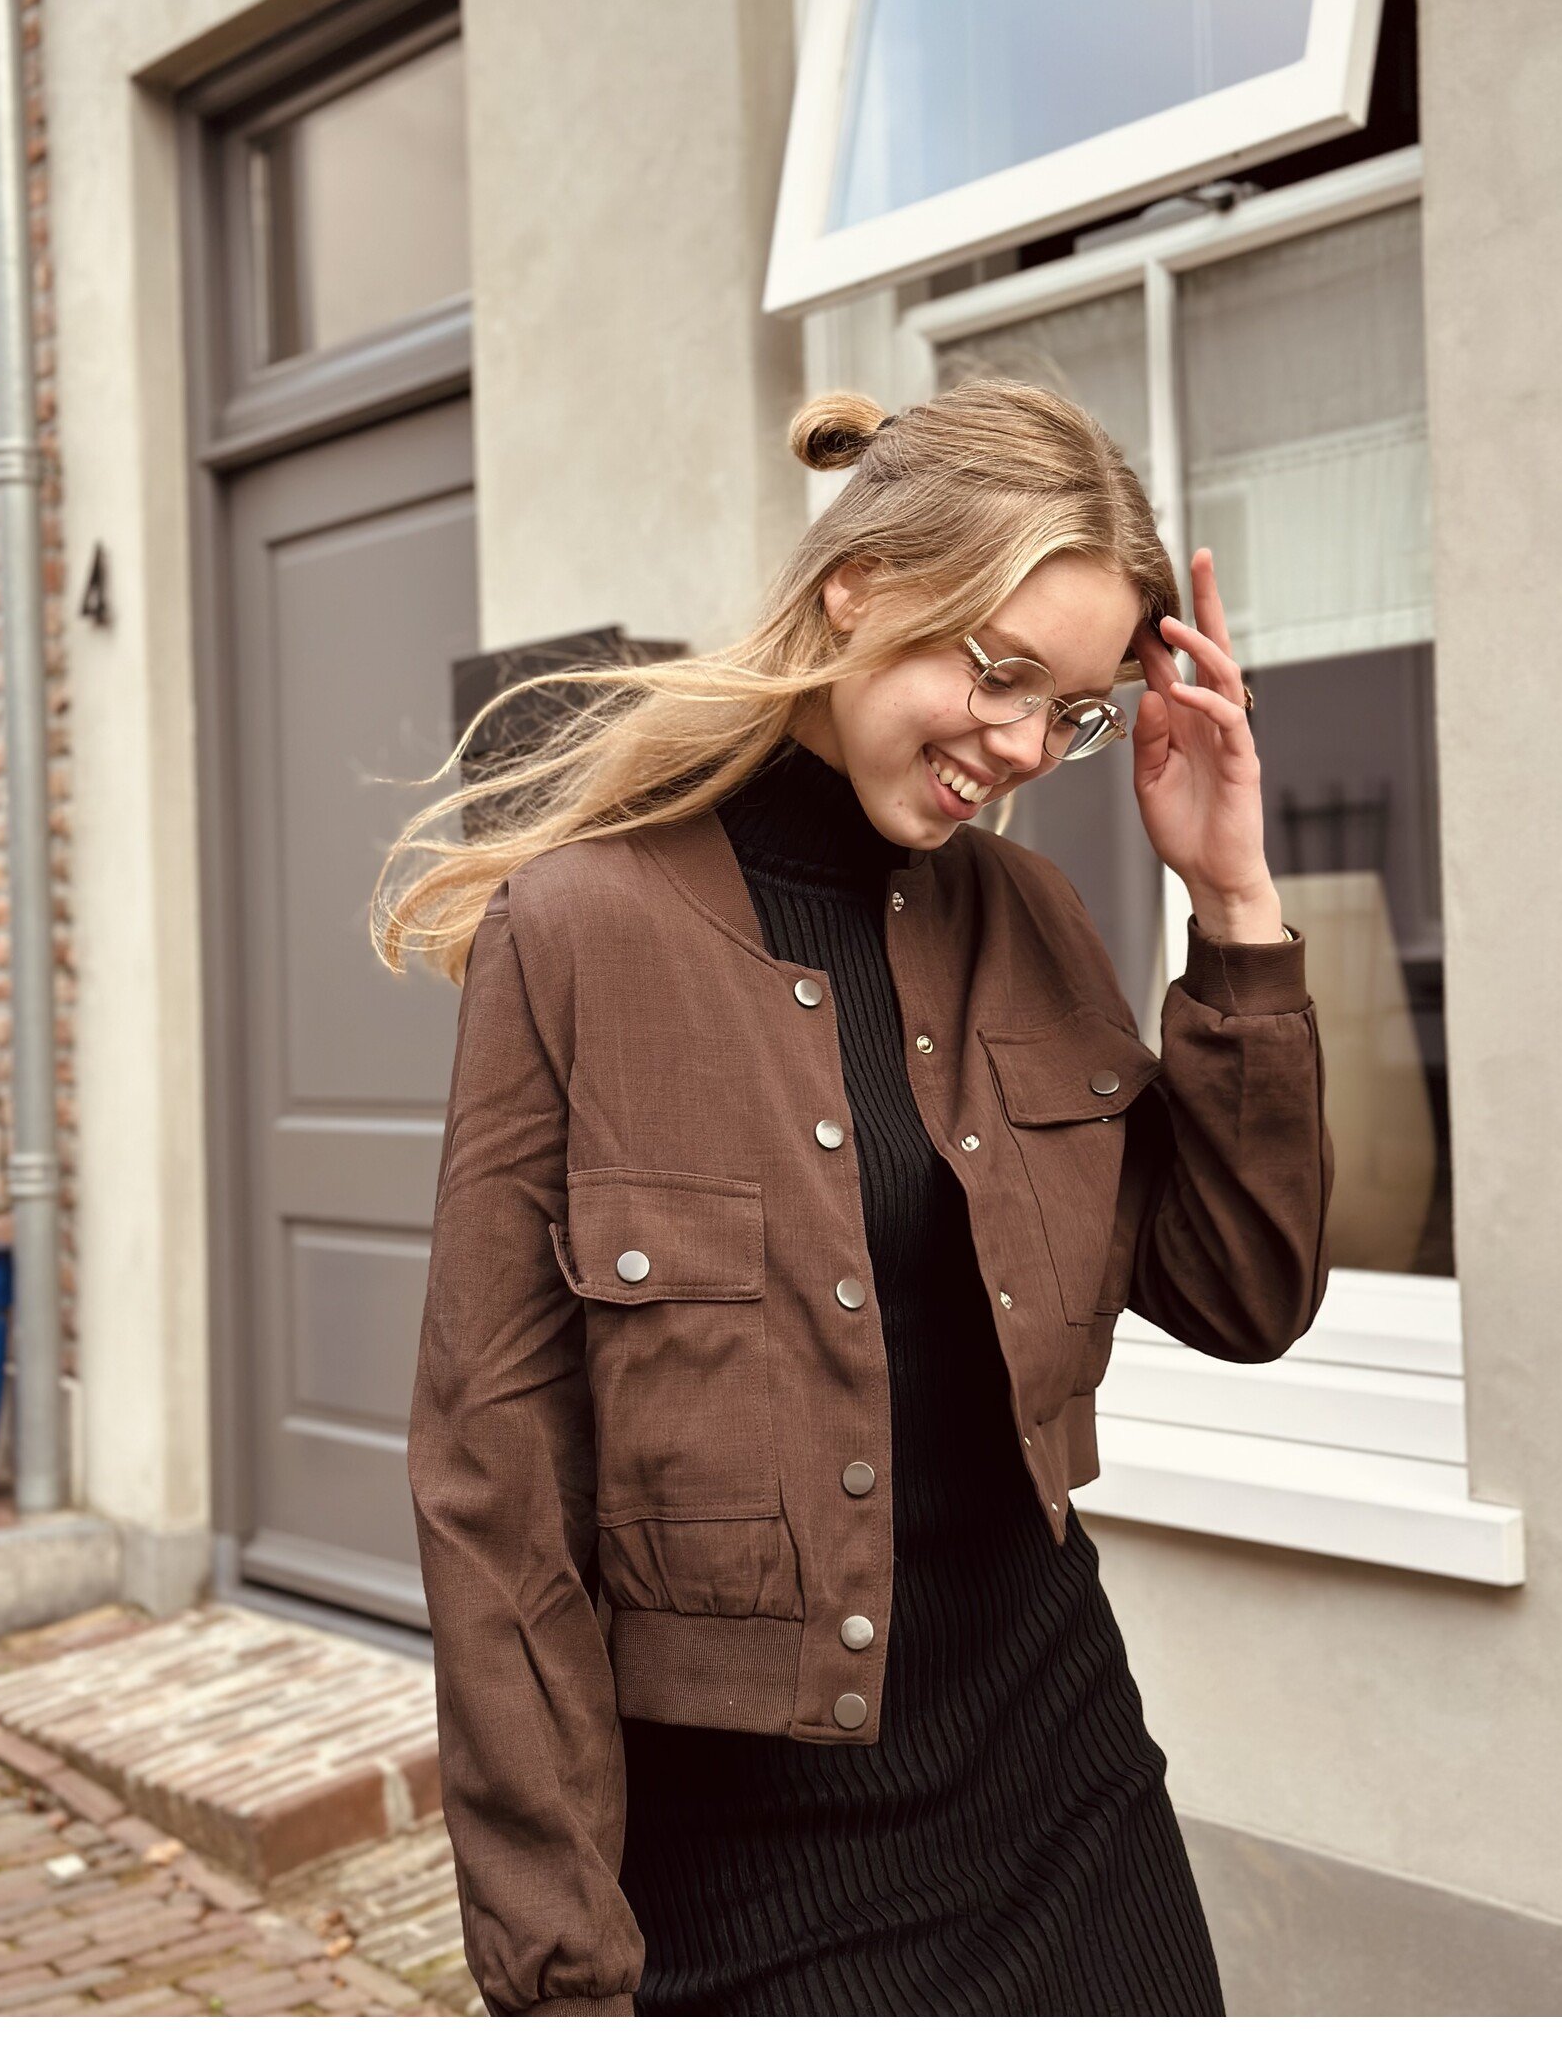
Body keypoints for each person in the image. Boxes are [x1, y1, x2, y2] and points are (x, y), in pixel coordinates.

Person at [374, 377, 1333, 2017]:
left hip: (1072, 1808)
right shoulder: (581, 931)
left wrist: (1233, 894)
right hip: (752, 1881)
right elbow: (497, 1493)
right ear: (858, 588)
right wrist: (561, 1977)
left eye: (1077, 710)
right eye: (1000, 671)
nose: (1024, 746)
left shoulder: (1030, 915)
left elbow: (1243, 1289)